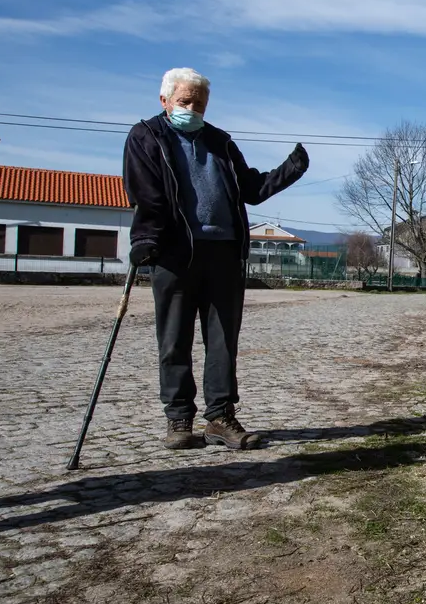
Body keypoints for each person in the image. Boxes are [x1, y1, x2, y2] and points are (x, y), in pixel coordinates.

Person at [123, 68, 309, 450]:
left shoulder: (220, 141)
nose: (192, 109)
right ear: (165, 101)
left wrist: (291, 169)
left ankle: (220, 418)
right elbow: (147, 194)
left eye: (200, 104)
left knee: (223, 340)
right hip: (175, 253)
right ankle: (179, 420)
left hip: (223, 251)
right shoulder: (146, 136)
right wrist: (145, 239)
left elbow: (250, 189)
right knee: (174, 339)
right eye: (185, 102)